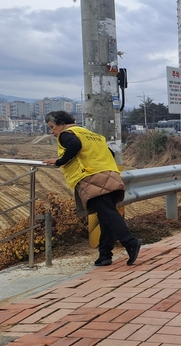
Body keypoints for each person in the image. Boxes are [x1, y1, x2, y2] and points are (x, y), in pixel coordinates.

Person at [43, 111, 141, 267]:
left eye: (52, 127)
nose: (52, 132)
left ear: (62, 124)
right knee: (106, 217)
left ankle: (130, 242)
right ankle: (105, 255)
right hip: (110, 175)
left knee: (109, 214)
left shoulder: (66, 134)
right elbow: (110, 153)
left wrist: (60, 161)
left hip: (91, 178)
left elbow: (75, 145)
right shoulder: (91, 134)